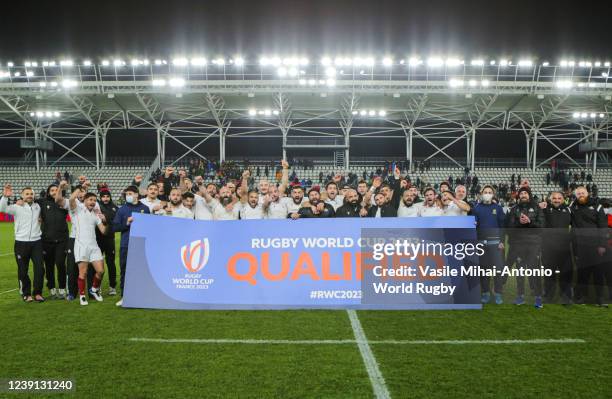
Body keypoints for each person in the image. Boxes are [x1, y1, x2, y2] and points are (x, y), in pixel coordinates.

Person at [1, 184, 45, 302]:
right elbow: (2, 209)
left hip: (37, 242)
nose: (29, 196)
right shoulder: (16, 206)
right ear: (22, 195)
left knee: (40, 269)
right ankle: (26, 293)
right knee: (22, 269)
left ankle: (37, 293)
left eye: (31, 194)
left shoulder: (38, 206)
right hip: (21, 243)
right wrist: (5, 196)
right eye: (27, 194)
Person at [506, 187, 545, 308]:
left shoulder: (537, 208)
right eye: (521, 193)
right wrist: (519, 223)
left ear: (529, 195)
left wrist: (529, 222)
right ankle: (520, 296)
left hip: (534, 245)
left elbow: (542, 226)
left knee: (535, 271)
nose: (523, 195)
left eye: (525, 193)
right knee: (520, 271)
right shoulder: (514, 209)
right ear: (519, 196)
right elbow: (510, 228)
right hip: (519, 245)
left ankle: (538, 297)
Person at [68, 189, 108, 306]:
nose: (93, 202)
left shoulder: (95, 215)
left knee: (100, 271)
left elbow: (103, 231)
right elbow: (71, 199)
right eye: (90, 200)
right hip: (81, 245)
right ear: (84, 200)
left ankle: (94, 289)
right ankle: (82, 295)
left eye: (95, 201)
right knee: (83, 273)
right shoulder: (77, 210)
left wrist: (106, 220)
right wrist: (79, 189)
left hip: (94, 246)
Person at [112, 186, 150, 307]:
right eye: (126, 193)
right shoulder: (122, 209)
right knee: (125, 271)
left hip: (140, 245)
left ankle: (141, 296)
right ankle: (124, 296)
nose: (127, 195)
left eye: (130, 193)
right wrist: (126, 224)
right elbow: (115, 227)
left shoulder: (145, 208)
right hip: (126, 245)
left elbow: (150, 227)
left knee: (141, 271)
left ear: (136, 195)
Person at [570, 186, 608, 306]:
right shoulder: (573, 207)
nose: (581, 195)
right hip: (580, 246)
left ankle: (600, 299)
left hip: (596, 246)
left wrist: (602, 245)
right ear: (575, 195)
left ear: (587, 193)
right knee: (582, 273)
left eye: (583, 193)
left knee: (598, 272)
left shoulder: (597, 206)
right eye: (578, 193)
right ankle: (582, 297)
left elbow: (603, 227)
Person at [471, 185, 506, 304]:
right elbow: (474, 226)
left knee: (497, 270)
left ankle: (498, 293)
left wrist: (502, 241)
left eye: (490, 192)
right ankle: (485, 293)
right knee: (483, 270)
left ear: (493, 194)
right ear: (481, 194)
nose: (487, 193)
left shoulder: (498, 208)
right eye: (485, 192)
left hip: (496, 244)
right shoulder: (476, 208)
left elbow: (502, 226)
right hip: (481, 244)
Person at [38, 183, 69, 299]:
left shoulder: (65, 203)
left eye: (57, 190)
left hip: (62, 240)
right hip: (46, 241)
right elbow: (28, 201)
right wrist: (20, 201)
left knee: (61, 264)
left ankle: (62, 289)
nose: (54, 192)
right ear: (48, 192)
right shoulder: (42, 202)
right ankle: (51, 289)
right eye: (52, 190)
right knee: (49, 266)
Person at [94, 188, 118, 296]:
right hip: (97, 239)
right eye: (103, 196)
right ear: (100, 197)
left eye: (107, 196)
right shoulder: (96, 206)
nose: (105, 198)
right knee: (97, 264)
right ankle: (97, 287)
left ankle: (112, 286)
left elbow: (116, 222)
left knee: (111, 264)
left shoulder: (115, 208)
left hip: (109, 239)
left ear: (110, 197)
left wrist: (106, 218)